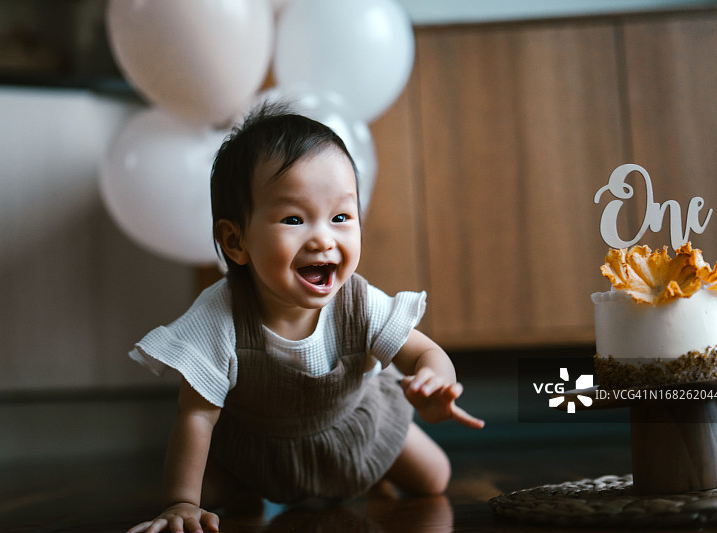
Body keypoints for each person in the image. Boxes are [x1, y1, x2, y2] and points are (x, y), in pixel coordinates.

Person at [127, 103, 484, 533]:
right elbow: (196, 416)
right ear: (236, 241)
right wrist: (181, 502)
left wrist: (434, 381)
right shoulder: (220, 316)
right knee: (214, 496)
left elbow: (423, 352)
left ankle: (370, 475)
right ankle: (244, 487)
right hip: (260, 447)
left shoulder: (358, 302)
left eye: (340, 217)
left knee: (434, 478)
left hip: (356, 424)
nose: (323, 238)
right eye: (294, 218)